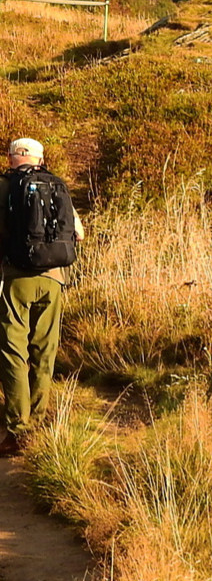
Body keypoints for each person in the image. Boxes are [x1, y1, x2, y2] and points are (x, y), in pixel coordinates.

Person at [0, 138, 84, 457]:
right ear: (39, 157)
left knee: (12, 350)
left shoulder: (5, 185)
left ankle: (18, 429)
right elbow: (78, 233)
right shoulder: (55, 185)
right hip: (54, 280)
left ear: (12, 157)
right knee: (44, 350)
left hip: (15, 279)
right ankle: (38, 420)